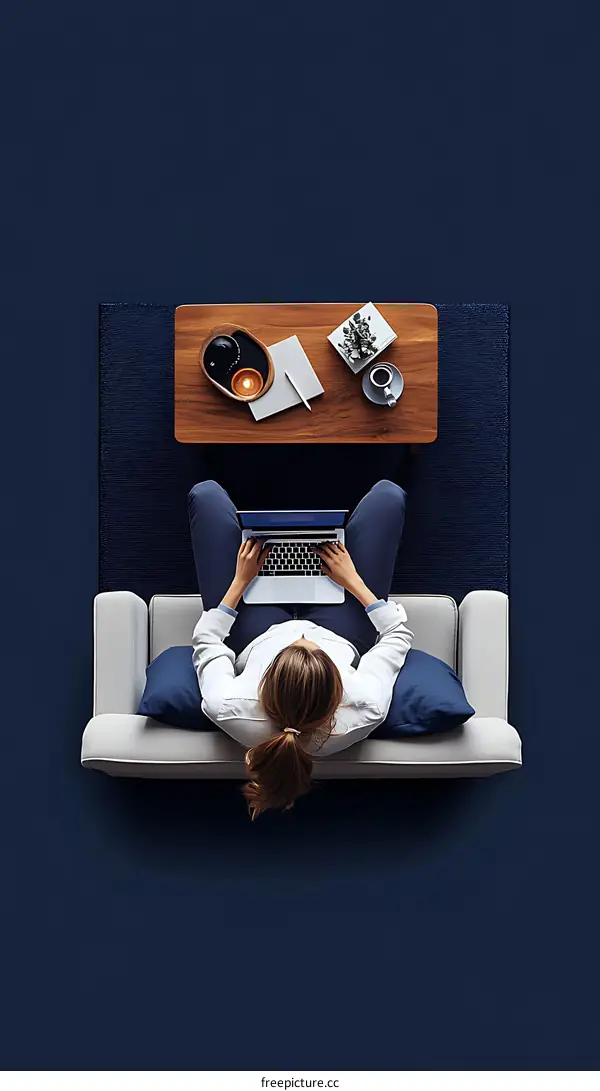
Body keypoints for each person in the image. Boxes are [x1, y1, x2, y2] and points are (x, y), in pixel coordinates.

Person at [189, 479, 413, 819]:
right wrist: (352, 580)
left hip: (254, 630)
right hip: (342, 628)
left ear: (265, 684)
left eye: (294, 647)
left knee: (205, 494)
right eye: (309, 647)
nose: (302, 636)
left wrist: (240, 581)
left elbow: (207, 641)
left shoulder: (229, 706)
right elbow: (396, 634)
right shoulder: (364, 705)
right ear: (339, 691)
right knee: (389, 496)